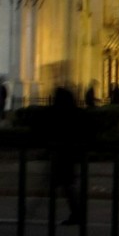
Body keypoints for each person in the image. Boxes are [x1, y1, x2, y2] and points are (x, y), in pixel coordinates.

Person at [50, 84, 84, 225]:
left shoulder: (60, 114)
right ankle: (76, 213)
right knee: (67, 186)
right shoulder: (74, 113)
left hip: (64, 155)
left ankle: (76, 214)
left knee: (66, 186)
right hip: (69, 155)